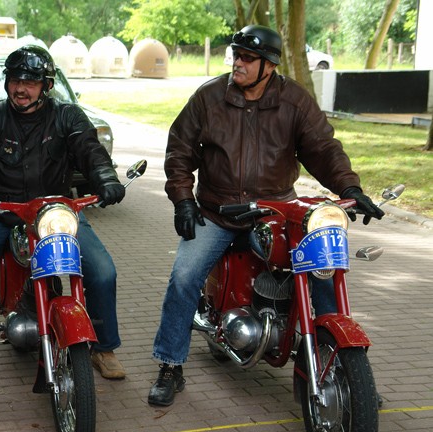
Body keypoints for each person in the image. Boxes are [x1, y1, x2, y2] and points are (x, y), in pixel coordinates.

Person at [147, 25, 385, 407]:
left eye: (247, 58)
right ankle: (170, 366)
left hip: (277, 211)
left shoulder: (294, 101)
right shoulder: (208, 97)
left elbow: (324, 148)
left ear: (269, 66)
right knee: (184, 277)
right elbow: (180, 152)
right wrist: (182, 200)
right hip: (218, 211)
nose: (237, 63)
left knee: (322, 271)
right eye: (235, 55)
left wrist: (350, 189)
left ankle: (344, 369)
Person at [0, 45, 127, 398]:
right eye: (15, 79)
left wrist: (107, 180)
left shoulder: (68, 116)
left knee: (103, 270)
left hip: (54, 213)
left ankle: (104, 347)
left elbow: (91, 152)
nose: (21, 88)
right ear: (7, 82)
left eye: (31, 82)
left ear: (46, 85)